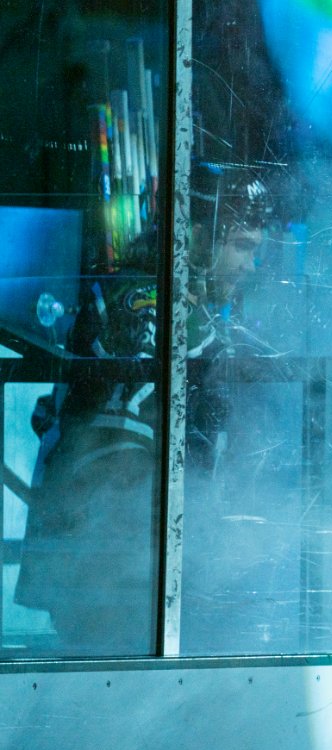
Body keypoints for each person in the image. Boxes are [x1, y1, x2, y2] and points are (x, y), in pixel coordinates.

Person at [17, 169, 280, 648]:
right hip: (119, 585)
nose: (251, 265)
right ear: (197, 237)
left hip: (112, 578)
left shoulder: (160, 301)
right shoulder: (152, 309)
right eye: (242, 247)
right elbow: (116, 463)